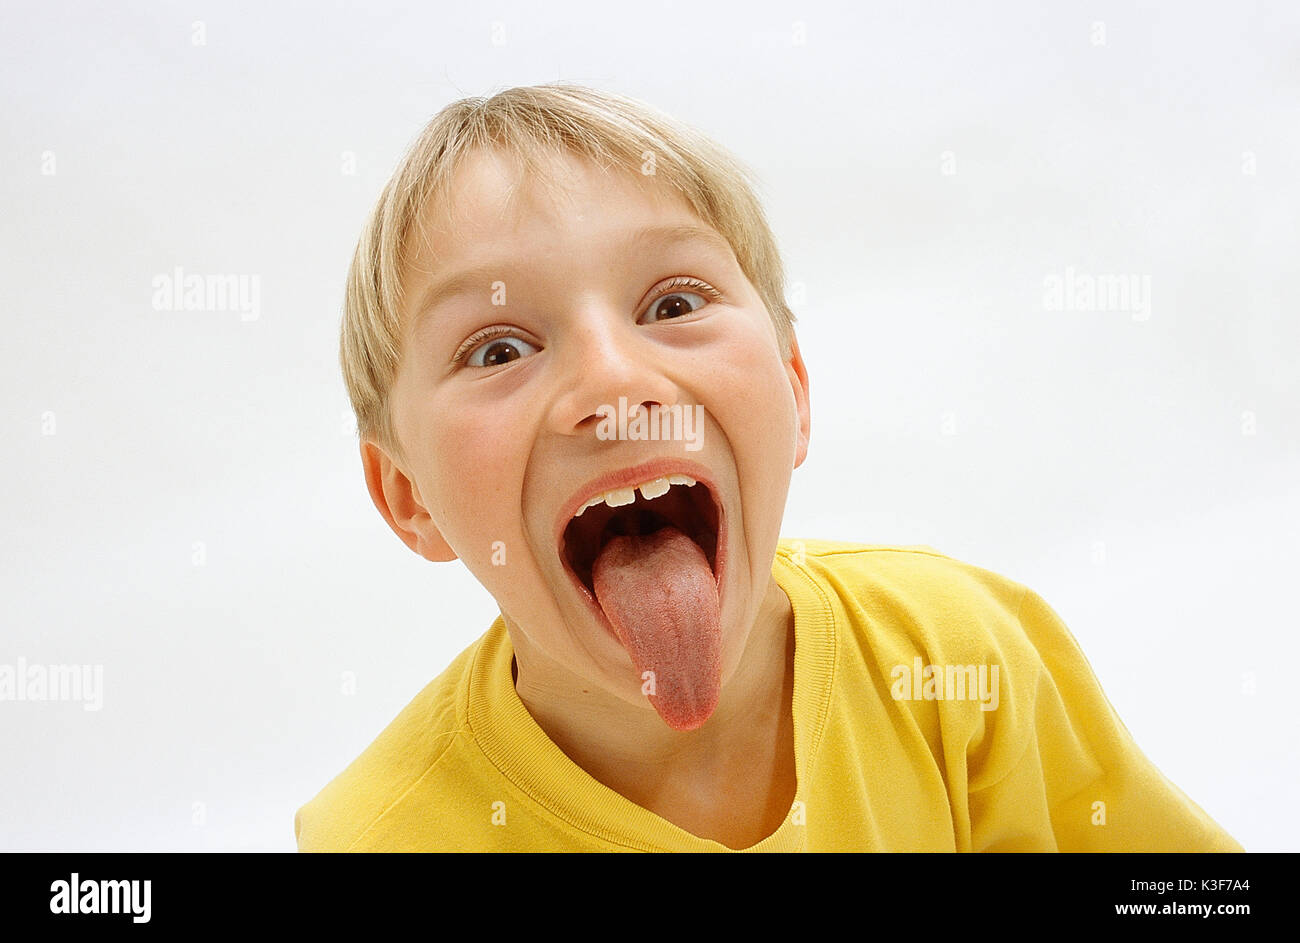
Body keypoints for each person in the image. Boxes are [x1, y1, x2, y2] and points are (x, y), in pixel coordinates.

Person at [294, 83, 1242, 852]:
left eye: (672, 303)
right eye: (499, 349)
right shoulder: (381, 836)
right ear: (407, 495)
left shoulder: (956, 659)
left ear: (793, 386)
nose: (615, 380)